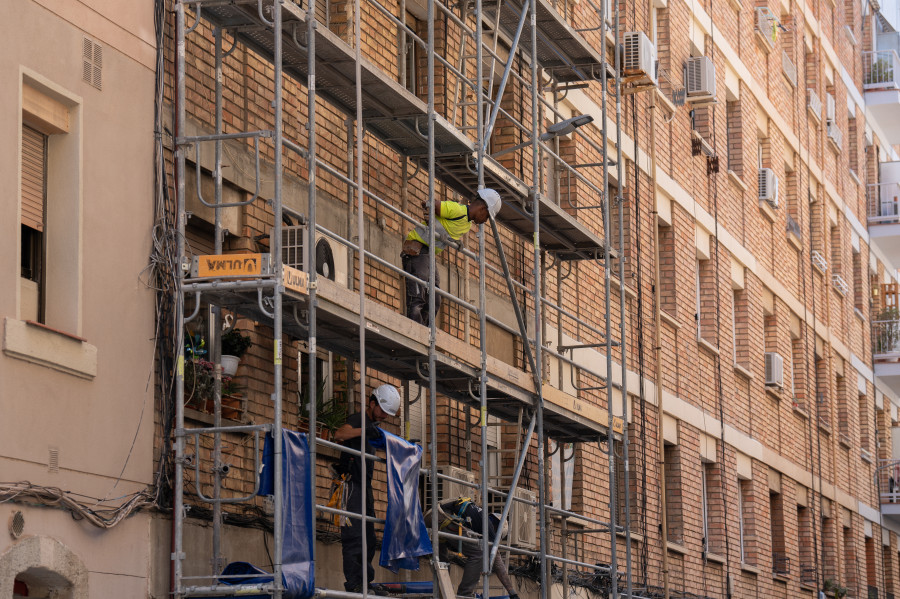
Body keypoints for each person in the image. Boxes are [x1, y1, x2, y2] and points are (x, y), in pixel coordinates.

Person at [333, 384, 401, 594]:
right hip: (350, 483)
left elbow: (383, 443)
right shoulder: (359, 420)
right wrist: (364, 430)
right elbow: (339, 434)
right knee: (354, 536)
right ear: (372, 403)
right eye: (382, 411)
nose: (384, 417)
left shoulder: (374, 426)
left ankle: (365, 582)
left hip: (365, 487)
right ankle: (354, 584)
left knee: (369, 538)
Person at [401, 189, 502, 326]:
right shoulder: (457, 210)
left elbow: (448, 229)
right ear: (482, 208)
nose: (485, 220)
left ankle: (425, 332)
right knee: (419, 297)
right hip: (417, 249)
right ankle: (413, 331)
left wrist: (453, 241)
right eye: (487, 216)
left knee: (434, 301)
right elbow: (430, 204)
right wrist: (432, 216)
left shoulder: (466, 224)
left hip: (428, 254)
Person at [437, 496, 520, 599]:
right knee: (479, 554)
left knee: (443, 564)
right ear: (497, 529)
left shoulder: (479, 518)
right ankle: (464, 595)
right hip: (444, 520)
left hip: (433, 517)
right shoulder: (489, 529)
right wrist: (513, 593)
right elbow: (498, 565)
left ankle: (440, 592)